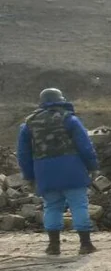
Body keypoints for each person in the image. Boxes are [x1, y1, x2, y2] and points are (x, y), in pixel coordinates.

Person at [16, 88, 99, 255]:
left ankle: (53, 245)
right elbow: (85, 146)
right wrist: (92, 166)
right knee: (79, 205)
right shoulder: (69, 119)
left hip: (44, 171)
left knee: (52, 207)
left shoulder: (29, 125)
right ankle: (85, 244)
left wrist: (29, 176)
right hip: (72, 169)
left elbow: (23, 154)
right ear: (61, 100)